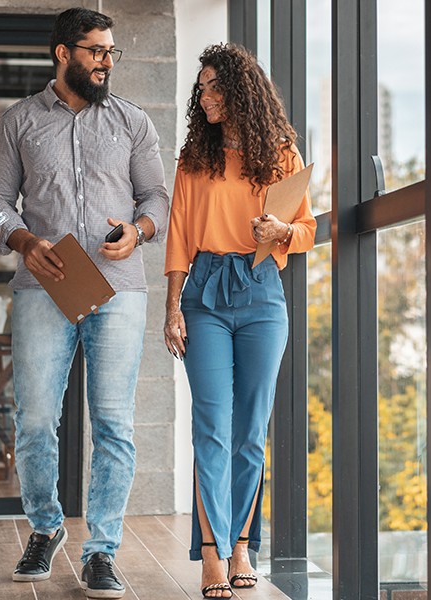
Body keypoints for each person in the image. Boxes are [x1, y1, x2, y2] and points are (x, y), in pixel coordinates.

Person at [0, 7, 169, 599]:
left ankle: (102, 549)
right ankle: (45, 527)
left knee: (113, 424)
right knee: (35, 420)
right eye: (96, 51)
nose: (106, 62)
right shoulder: (19, 121)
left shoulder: (134, 122)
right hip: (44, 287)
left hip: (118, 290)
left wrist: (136, 232)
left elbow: (157, 199)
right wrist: (24, 241)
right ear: (63, 53)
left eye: (112, 52)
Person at [163, 43, 317, 599]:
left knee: (251, 430)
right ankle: (212, 554)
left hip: (259, 293)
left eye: (214, 87)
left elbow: (306, 230)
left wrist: (279, 233)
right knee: (212, 424)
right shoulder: (193, 159)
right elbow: (179, 234)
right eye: (199, 89)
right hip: (203, 290)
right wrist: (172, 305)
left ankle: (243, 543)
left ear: (241, 91)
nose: (203, 97)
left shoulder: (280, 155)